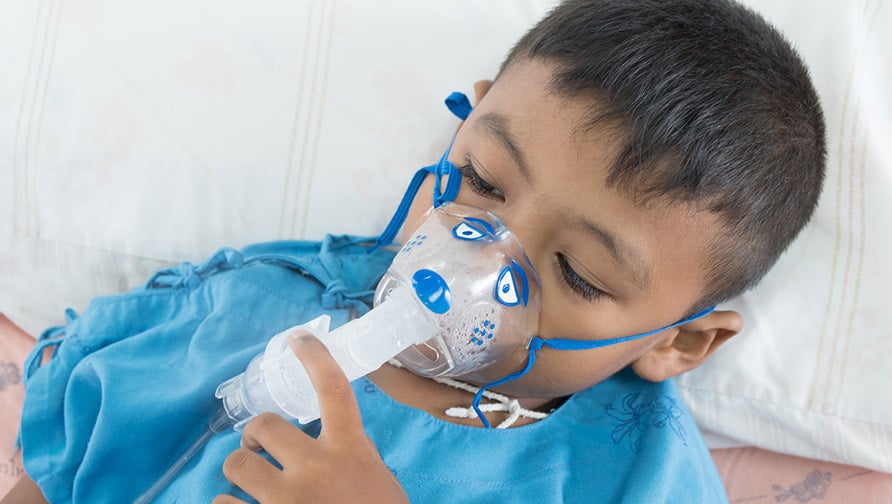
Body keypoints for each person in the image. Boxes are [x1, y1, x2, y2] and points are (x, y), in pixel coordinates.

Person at [6, 0, 825, 502]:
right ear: (460, 128)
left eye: (576, 272)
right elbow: (74, 459)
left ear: (678, 340)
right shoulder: (262, 304)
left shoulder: (632, 485)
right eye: (481, 181)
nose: (479, 258)